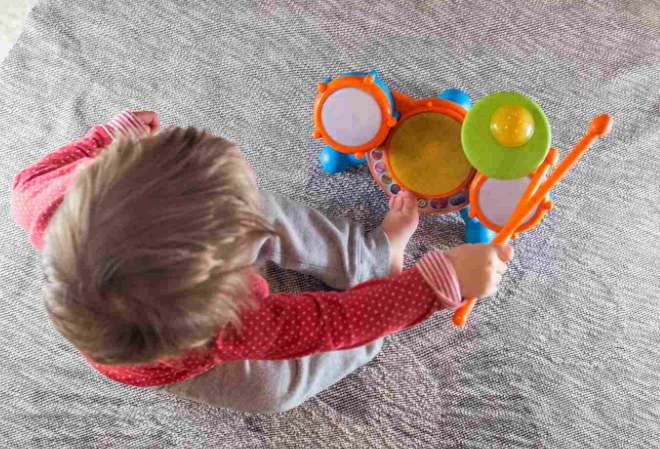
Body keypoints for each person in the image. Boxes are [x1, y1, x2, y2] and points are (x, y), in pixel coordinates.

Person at [10, 110, 514, 414]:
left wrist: (109, 138)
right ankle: (384, 278)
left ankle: (372, 254)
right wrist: (436, 283)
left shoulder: (51, 198)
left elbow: (25, 182)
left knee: (252, 210)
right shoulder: (232, 327)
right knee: (273, 390)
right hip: (178, 353)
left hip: (165, 277)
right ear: (235, 290)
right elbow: (331, 322)